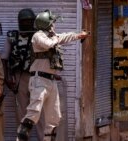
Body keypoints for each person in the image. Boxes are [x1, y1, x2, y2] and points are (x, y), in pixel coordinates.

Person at [16, 9, 89, 141]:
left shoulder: (51, 36)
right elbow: (49, 44)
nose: (54, 25)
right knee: (34, 112)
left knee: (54, 118)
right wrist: (56, 36)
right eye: (52, 23)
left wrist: (79, 35)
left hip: (50, 81)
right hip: (39, 80)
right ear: (47, 24)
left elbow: (65, 37)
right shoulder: (38, 36)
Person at [1, 8, 44, 141]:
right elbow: (4, 58)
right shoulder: (12, 36)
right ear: (19, 22)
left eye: (29, 21)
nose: (27, 24)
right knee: (22, 113)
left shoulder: (39, 36)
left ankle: (44, 138)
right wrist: (7, 78)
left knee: (39, 111)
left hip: (38, 77)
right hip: (20, 77)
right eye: (24, 21)